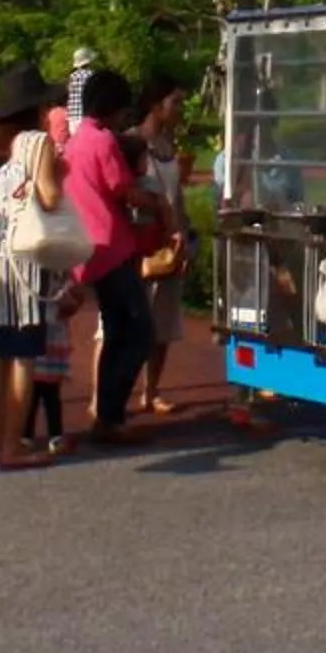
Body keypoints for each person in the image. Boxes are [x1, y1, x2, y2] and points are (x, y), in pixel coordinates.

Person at [60, 66, 161, 444]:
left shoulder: (75, 141)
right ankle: (110, 415)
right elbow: (123, 189)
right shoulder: (102, 141)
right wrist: (159, 204)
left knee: (118, 332)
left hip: (89, 250)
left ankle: (107, 416)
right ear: (113, 107)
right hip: (111, 246)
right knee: (139, 333)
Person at [0, 64, 69, 470]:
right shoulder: (36, 143)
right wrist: (57, 177)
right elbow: (49, 197)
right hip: (27, 259)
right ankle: (12, 445)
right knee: (24, 355)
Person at [128, 74, 191, 415]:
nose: (180, 109)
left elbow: (176, 196)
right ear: (156, 105)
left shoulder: (168, 146)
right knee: (130, 323)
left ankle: (151, 391)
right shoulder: (132, 141)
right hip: (142, 243)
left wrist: (185, 235)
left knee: (164, 326)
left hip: (171, 243)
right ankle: (115, 393)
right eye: (175, 102)